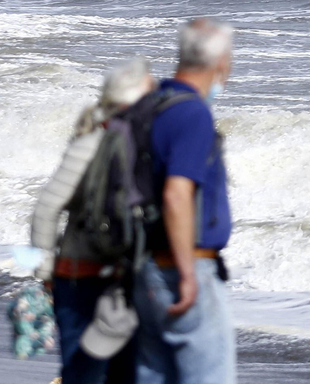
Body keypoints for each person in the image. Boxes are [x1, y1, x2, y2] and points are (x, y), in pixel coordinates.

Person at [31, 59, 156, 384]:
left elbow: (46, 209)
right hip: (131, 279)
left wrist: (44, 271)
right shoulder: (150, 150)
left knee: (81, 369)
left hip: (79, 276)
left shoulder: (89, 144)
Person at [134, 19, 236, 384]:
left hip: (142, 268)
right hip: (182, 268)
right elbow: (176, 195)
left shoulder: (149, 106)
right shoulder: (192, 114)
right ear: (221, 61)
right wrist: (188, 274)